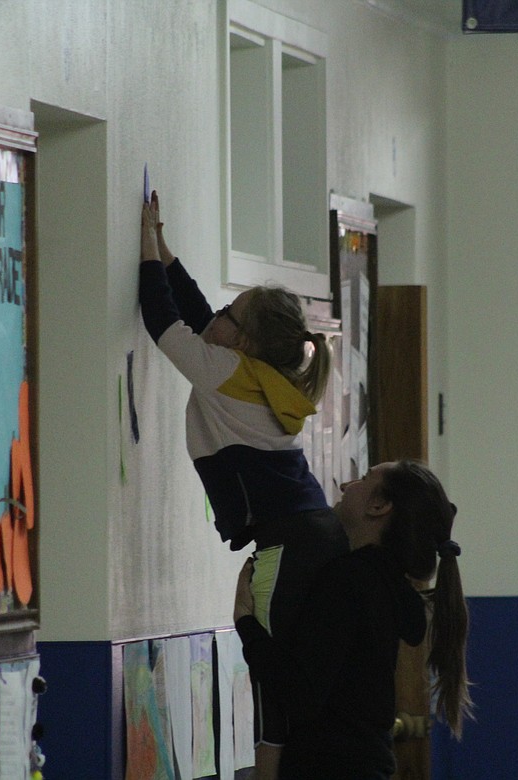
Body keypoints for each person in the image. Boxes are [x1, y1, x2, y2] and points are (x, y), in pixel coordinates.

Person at [138, 190, 349, 778]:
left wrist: (145, 254)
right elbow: (203, 315)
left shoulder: (226, 370)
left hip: (286, 542)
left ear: (246, 341)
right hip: (311, 530)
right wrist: (164, 247)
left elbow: (166, 321)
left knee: (267, 653)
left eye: (233, 316)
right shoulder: (255, 372)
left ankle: (271, 769)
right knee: (290, 655)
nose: (219, 320)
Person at [234, 459, 473, 780]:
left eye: (363, 479)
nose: (347, 486)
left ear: (378, 506)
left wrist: (246, 624)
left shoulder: (350, 580)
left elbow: (299, 694)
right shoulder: (384, 585)